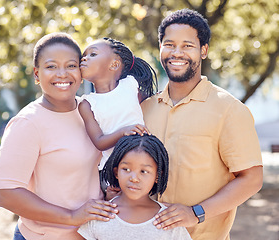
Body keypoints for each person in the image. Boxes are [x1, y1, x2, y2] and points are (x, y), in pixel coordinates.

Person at [141, 9, 263, 240]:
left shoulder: (229, 109)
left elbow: (252, 178)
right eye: (169, 44)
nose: (177, 53)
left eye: (187, 45)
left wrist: (196, 213)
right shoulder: (144, 109)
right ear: (160, 49)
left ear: (203, 50)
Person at [0, 32, 118, 240]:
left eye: (71, 65)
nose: (62, 74)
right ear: (36, 74)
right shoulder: (28, 123)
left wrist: (108, 191)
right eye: (51, 66)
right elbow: (6, 194)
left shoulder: (91, 110)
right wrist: (71, 216)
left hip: (92, 234)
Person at [78, 37, 157, 192]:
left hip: (144, 159)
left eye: (93, 54)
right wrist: (123, 132)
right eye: (83, 56)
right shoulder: (87, 104)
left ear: (114, 64)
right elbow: (99, 142)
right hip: (114, 170)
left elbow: (148, 104)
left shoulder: (130, 84)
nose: (84, 58)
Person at [77, 134, 192, 240]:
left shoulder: (169, 220)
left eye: (144, 171)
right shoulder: (100, 214)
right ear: (116, 173)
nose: (134, 178)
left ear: (157, 176)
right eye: (126, 169)